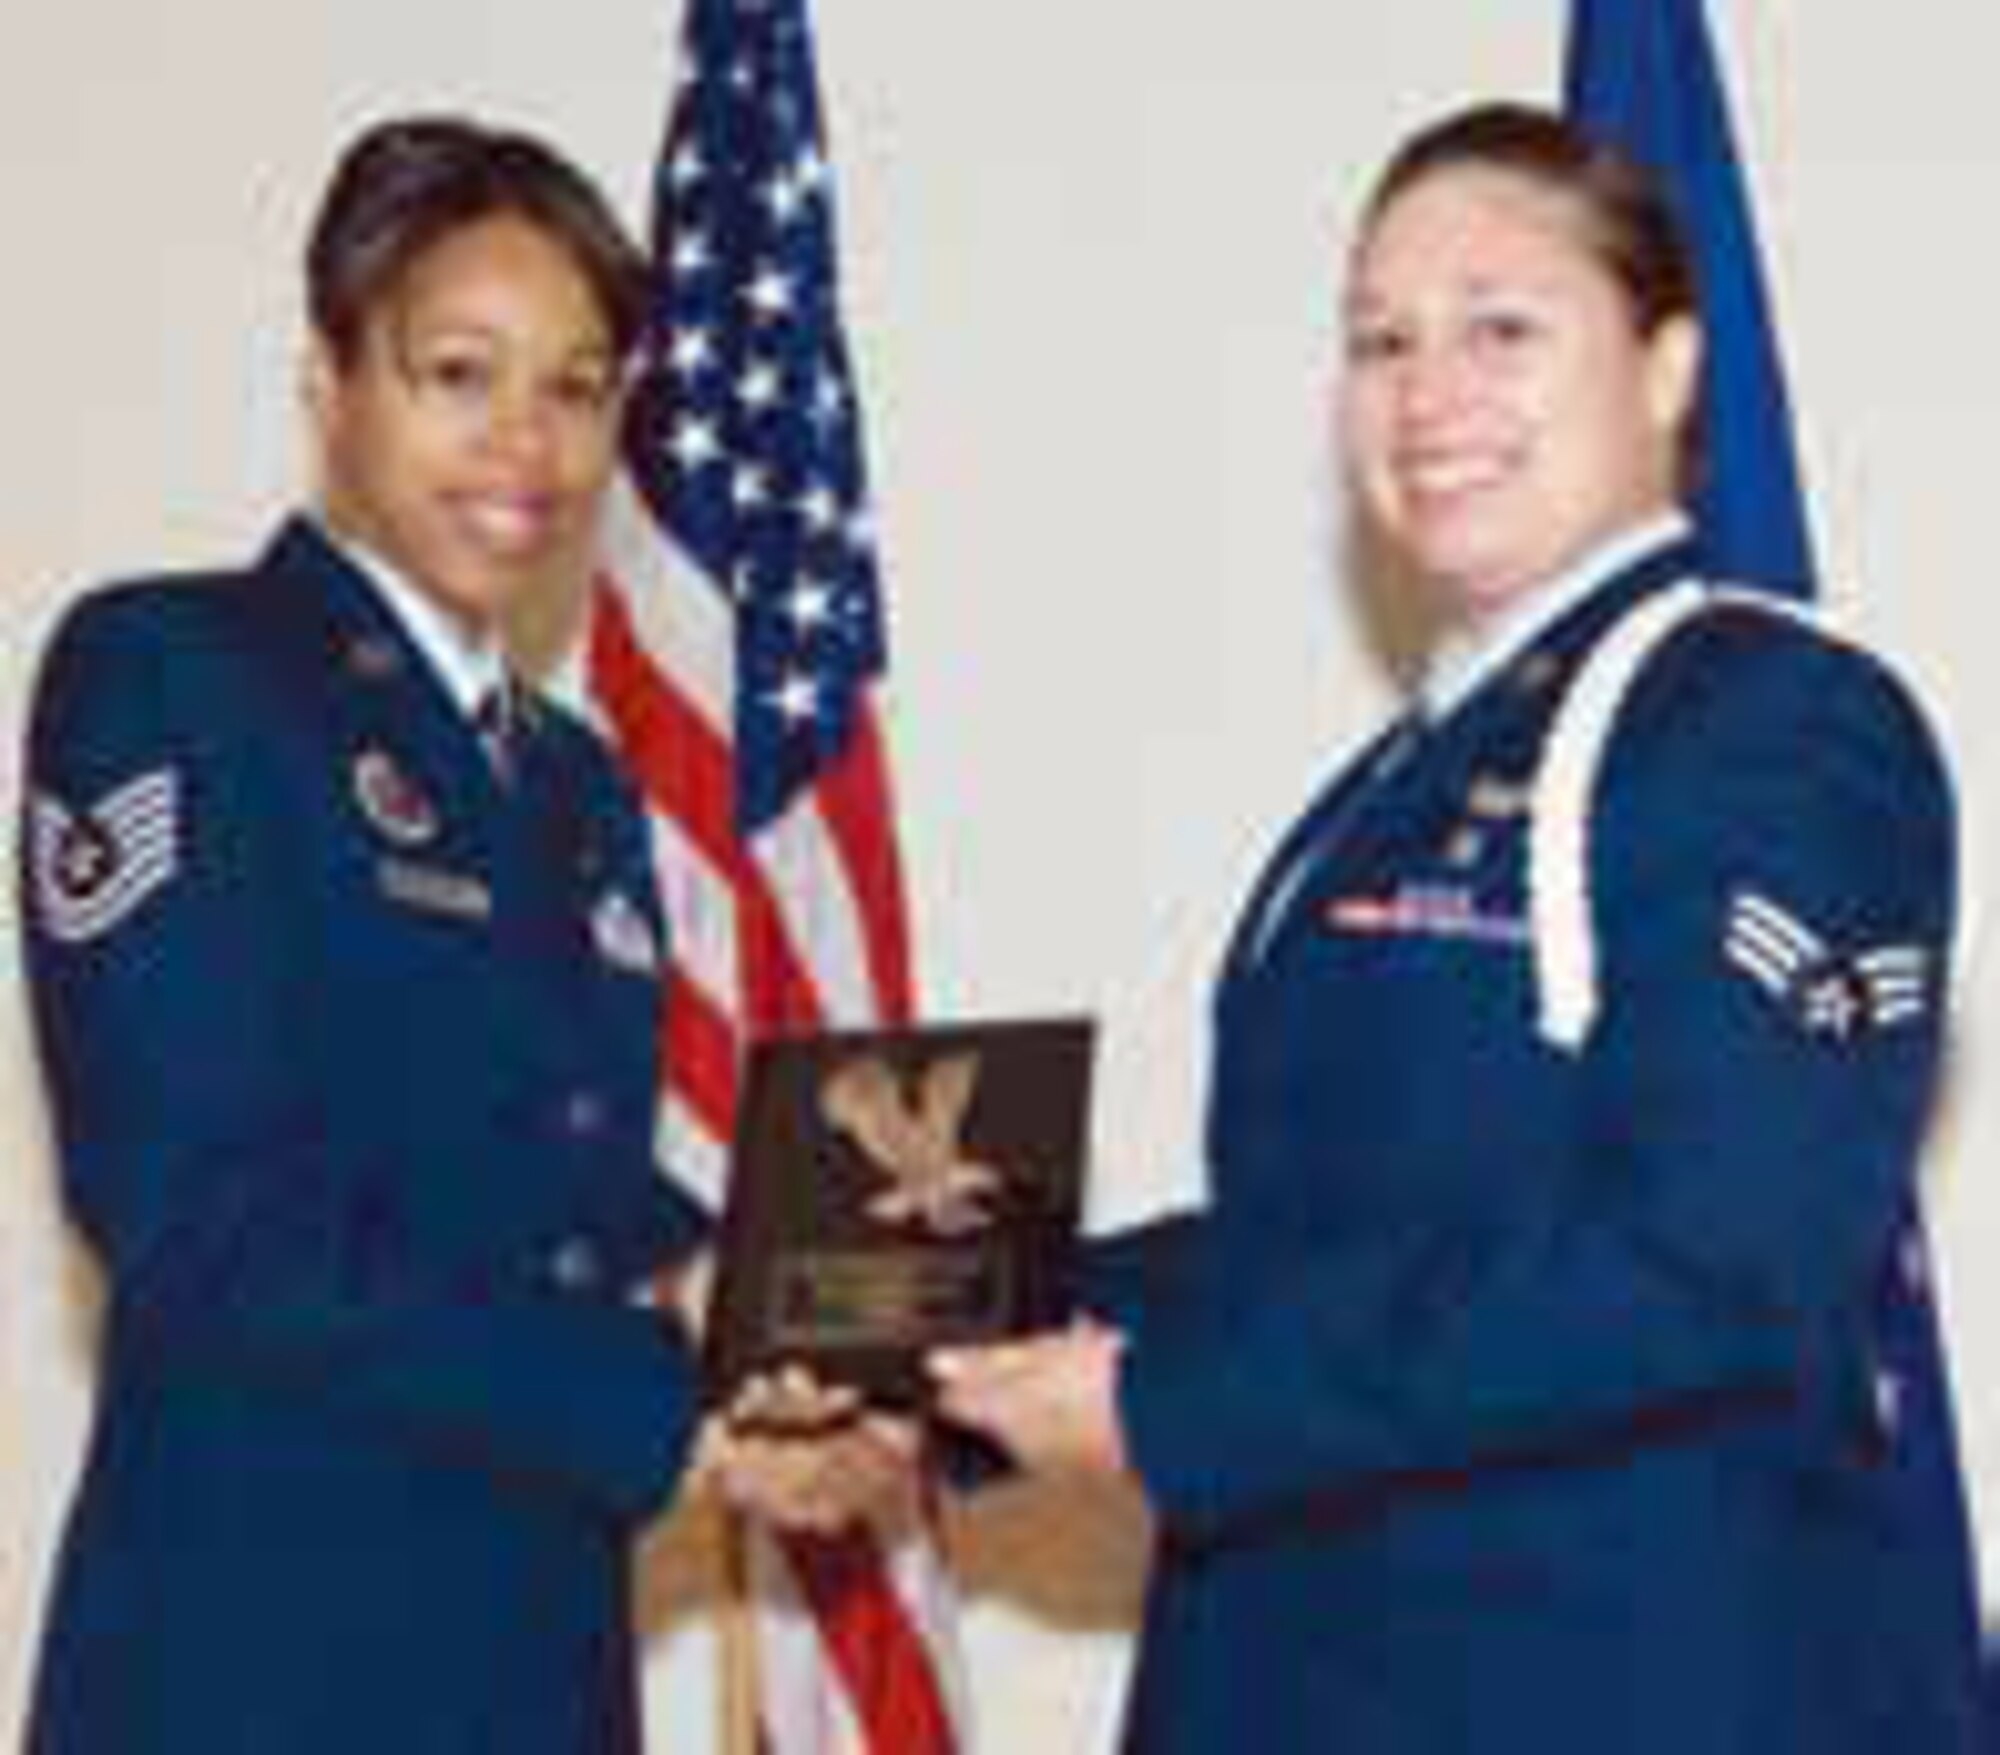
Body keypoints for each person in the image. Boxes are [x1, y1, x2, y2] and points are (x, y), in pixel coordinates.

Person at [933, 102, 1985, 1751]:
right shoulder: (1390, 785)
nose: (1430, 393)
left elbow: (1712, 1260)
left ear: (1669, 368)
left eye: (1503, 327)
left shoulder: (1778, 729)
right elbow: (1339, 1239)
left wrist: (1167, 1409)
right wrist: (918, 1346)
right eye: (1381, 340)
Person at [18, 114, 905, 1755]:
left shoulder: (575, 785)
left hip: (535, 1661)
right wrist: (663, 1415)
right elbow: (199, 1214)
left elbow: (559, 1194)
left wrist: (818, 1321)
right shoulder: (172, 676)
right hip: (259, 1664)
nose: (527, 445)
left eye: (576, 389)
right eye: (459, 373)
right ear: (331, 383)